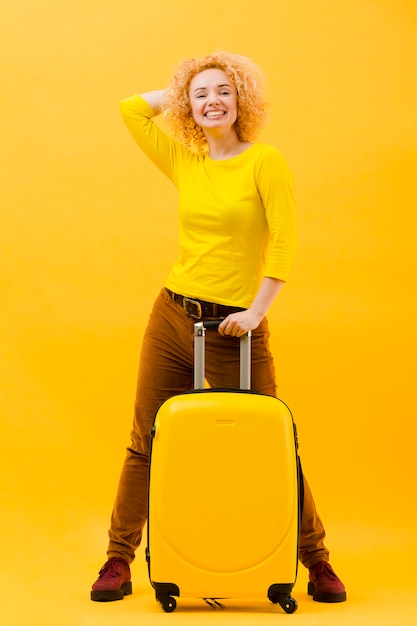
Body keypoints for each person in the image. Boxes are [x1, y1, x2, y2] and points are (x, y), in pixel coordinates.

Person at [91, 51, 346, 605]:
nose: (213, 101)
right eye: (202, 94)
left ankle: (317, 559)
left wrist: (256, 312)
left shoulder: (265, 162)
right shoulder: (187, 162)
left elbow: (283, 240)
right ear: (189, 104)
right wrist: (184, 85)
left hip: (236, 327)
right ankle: (118, 558)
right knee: (145, 442)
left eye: (225, 92)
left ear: (243, 102)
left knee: (274, 444)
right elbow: (131, 110)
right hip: (173, 315)